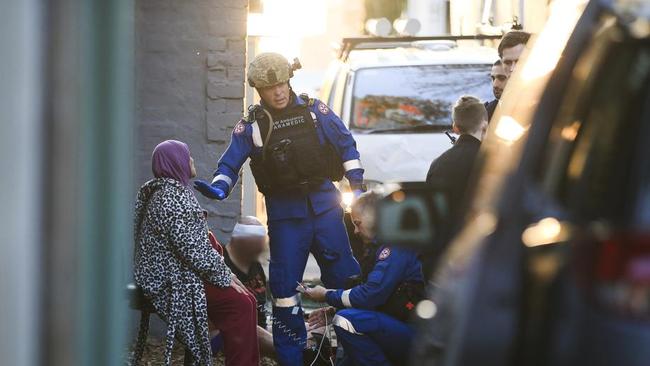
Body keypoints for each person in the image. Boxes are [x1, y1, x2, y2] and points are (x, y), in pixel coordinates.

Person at [194, 52, 364, 365]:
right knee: (285, 294)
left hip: (326, 208)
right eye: (271, 87)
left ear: (289, 80)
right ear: (259, 90)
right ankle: (292, 359)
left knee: (346, 281)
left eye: (282, 83)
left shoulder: (315, 112)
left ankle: (356, 354)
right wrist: (219, 187)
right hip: (287, 219)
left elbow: (346, 145)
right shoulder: (252, 126)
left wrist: (358, 187)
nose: (279, 91)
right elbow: (231, 162)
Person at [133, 140, 258, 366]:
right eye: (187, 156)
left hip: (181, 272)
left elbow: (194, 245)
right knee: (239, 304)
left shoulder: (169, 192)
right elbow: (193, 251)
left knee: (246, 298)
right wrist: (225, 275)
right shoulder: (171, 197)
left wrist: (224, 274)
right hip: (172, 279)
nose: (191, 160)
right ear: (175, 162)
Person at [302, 193, 425, 366]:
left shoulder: (395, 246)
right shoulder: (385, 245)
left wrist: (327, 294)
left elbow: (372, 294)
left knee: (345, 321)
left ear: (376, 216)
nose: (356, 231)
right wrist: (331, 312)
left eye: (357, 223)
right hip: (397, 326)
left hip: (414, 336)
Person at [426, 96, 488, 239]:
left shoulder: (437, 164)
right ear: (484, 125)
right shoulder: (492, 162)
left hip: (445, 249)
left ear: (455, 127)